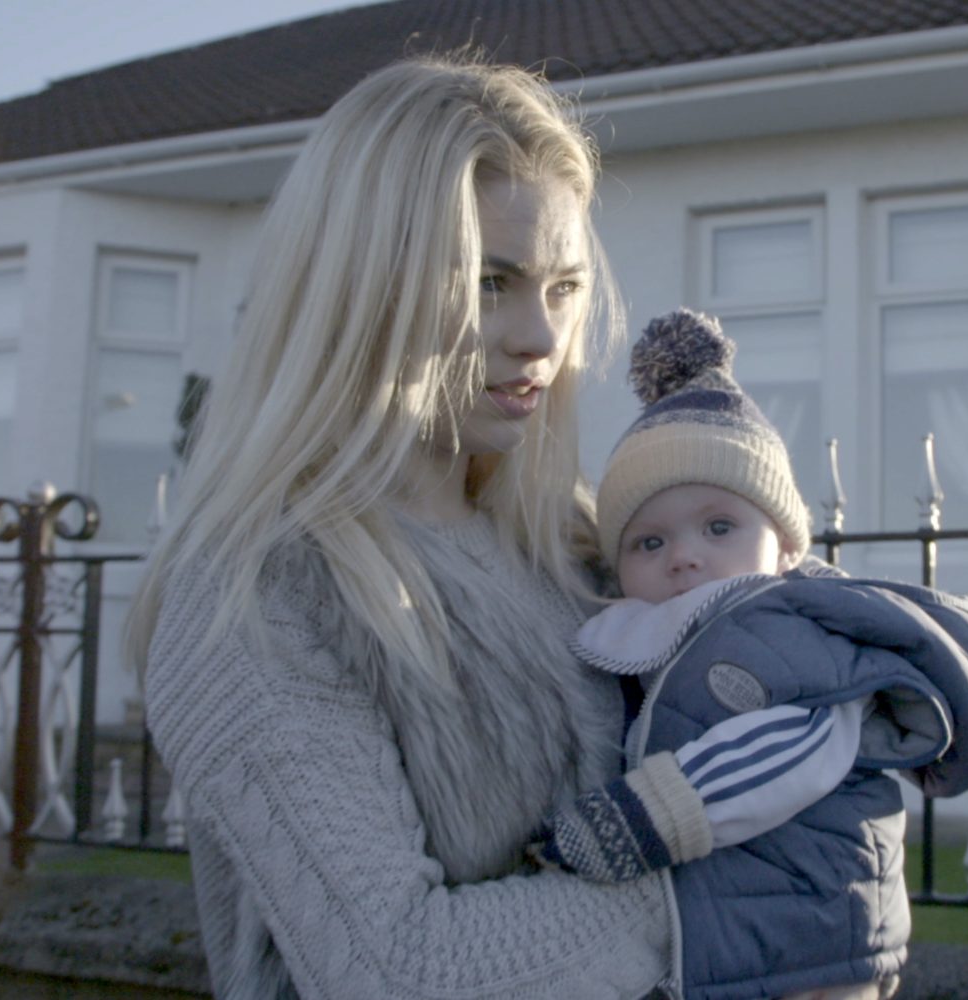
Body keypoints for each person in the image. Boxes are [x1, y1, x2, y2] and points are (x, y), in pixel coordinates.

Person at [126, 56, 679, 999]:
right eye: (492, 282)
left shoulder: (583, 547)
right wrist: (737, 896)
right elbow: (396, 969)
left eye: (564, 287)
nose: (543, 338)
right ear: (361, 287)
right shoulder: (259, 596)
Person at [529, 310, 968, 1000]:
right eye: (650, 541)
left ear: (787, 544)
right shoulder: (662, 635)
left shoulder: (784, 625)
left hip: (817, 933)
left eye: (719, 526)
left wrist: (640, 820)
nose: (684, 556)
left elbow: (796, 749)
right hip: (755, 932)